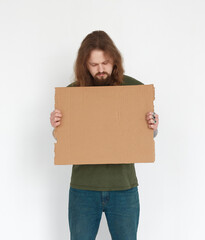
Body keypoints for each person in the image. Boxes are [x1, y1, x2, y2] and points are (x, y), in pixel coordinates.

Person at [50, 30, 159, 240]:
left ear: (114, 61)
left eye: (106, 63)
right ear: (85, 65)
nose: (101, 69)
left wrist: (153, 127)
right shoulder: (72, 93)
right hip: (83, 189)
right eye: (94, 65)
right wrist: (57, 127)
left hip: (124, 188)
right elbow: (66, 140)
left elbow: (146, 136)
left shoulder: (133, 89)